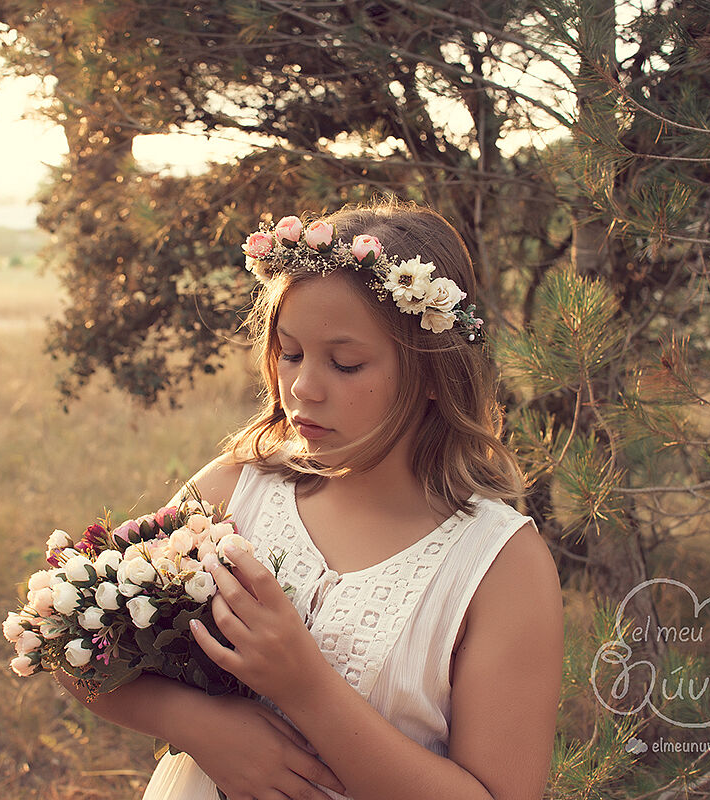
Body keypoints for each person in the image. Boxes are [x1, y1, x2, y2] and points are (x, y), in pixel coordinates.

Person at [57, 200, 564, 800]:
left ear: (432, 372)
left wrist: (305, 688)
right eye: (290, 352)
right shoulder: (232, 493)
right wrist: (197, 726)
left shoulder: (499, 566)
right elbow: (69, 638)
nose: (302, 387)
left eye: (345, 363)